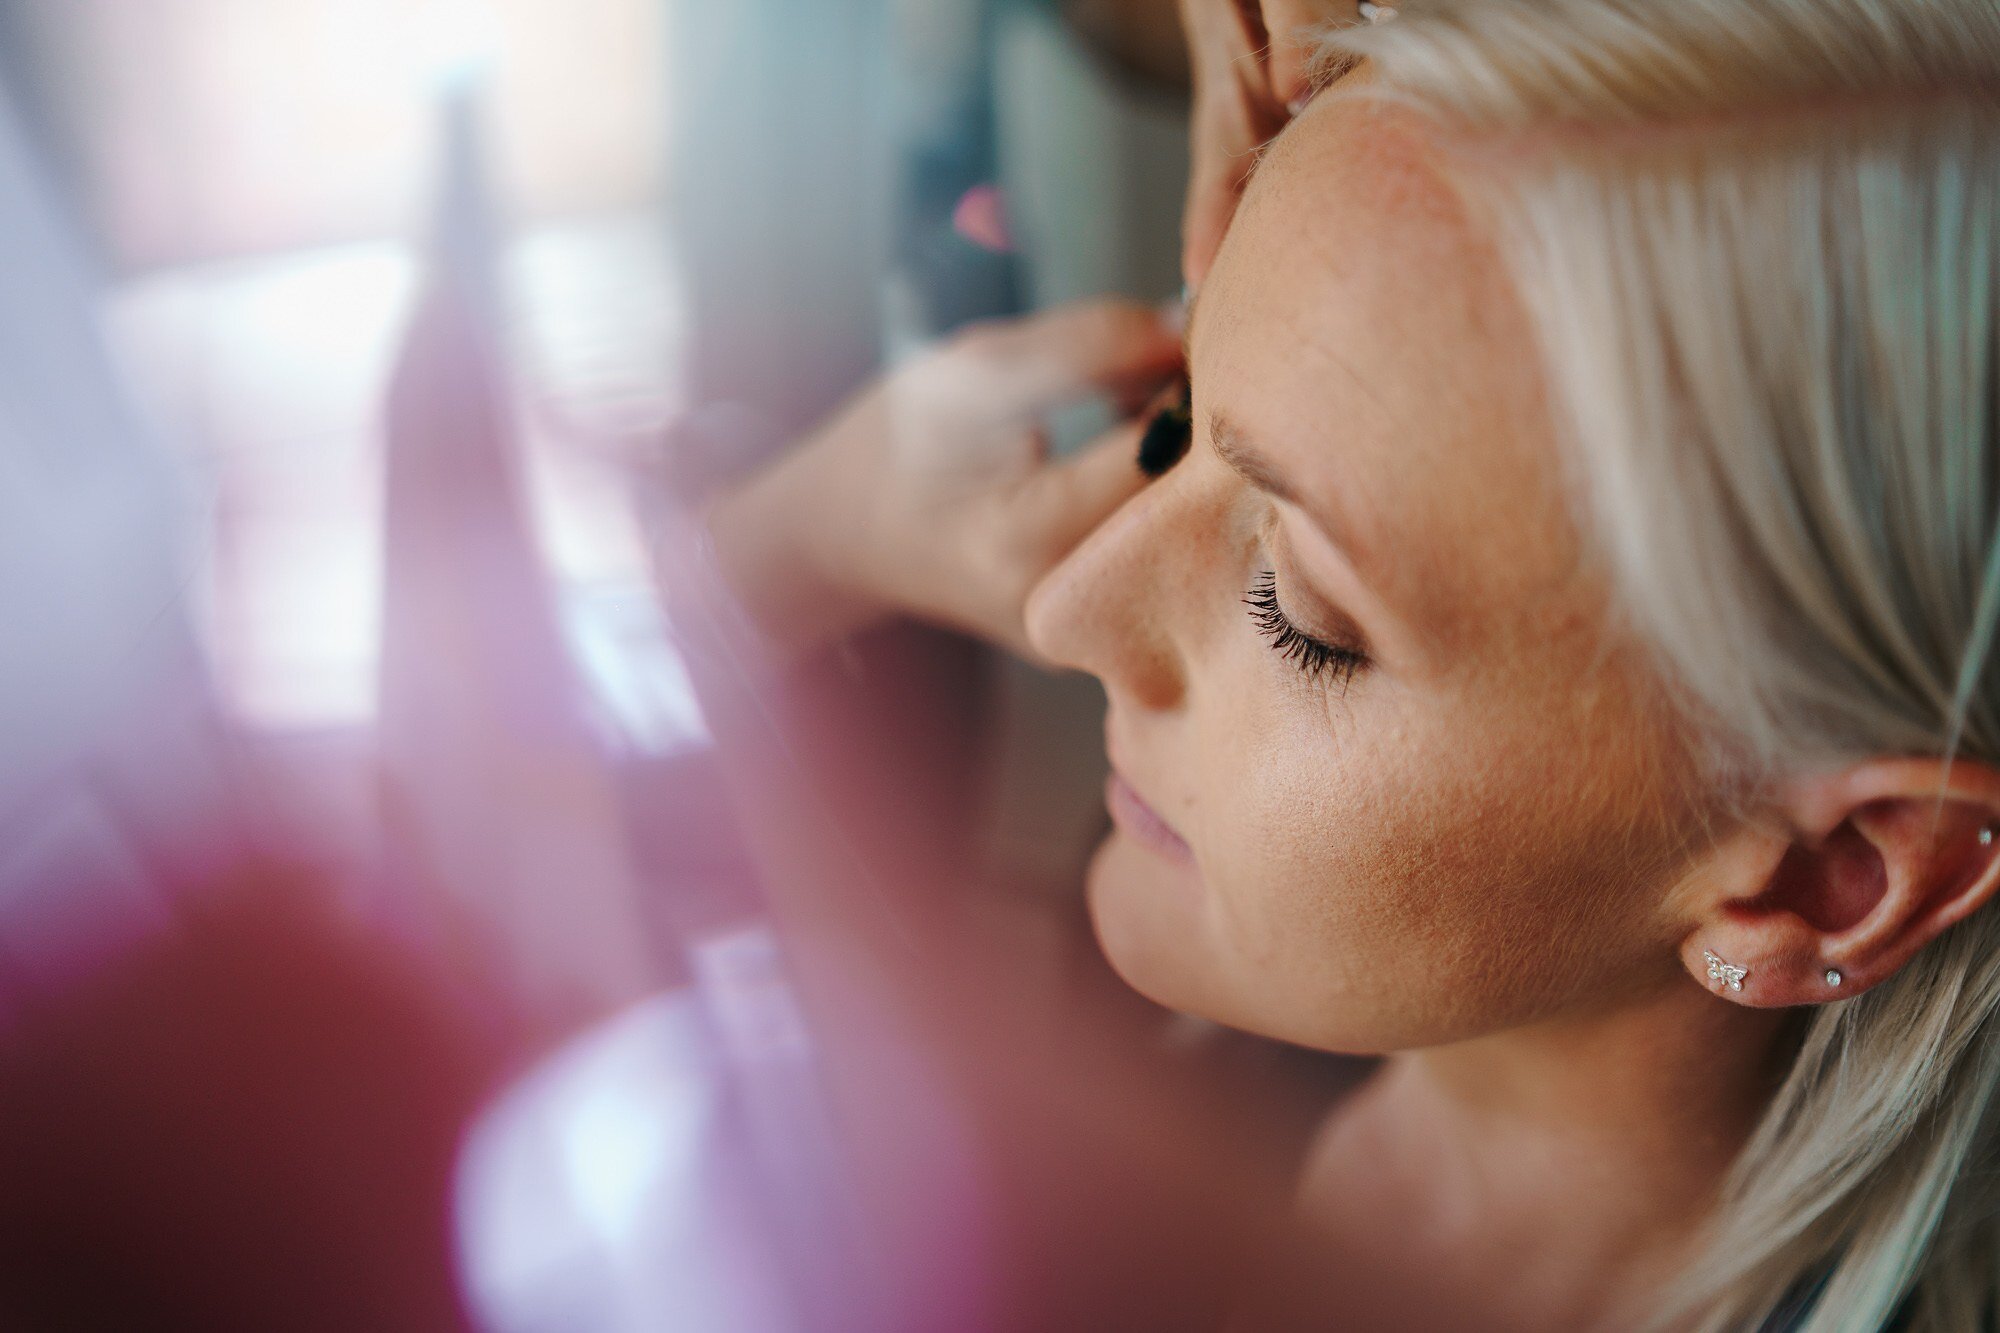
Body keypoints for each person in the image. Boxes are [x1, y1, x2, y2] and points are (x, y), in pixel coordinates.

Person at [678, 0, 2000, 1328]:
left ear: (1839, 875)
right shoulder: (1239, 1006)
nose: (1068, 607)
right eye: (1179, 421)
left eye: (1301, 616)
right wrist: (803, 534)